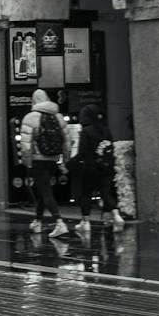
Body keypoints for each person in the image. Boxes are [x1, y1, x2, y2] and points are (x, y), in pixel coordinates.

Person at [15, 88, 69, 238]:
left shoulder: (30, 118)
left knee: (45, 191)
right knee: (43, 190)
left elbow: (26, 145)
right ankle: (37, 221)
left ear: (34, 101)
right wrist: (65, 160)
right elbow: (67, 141)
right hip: (52, 159)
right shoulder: (57, 116)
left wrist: (27, 163)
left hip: (38, 160)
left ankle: (59, 223)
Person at [67, 105, 116, 236]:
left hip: (90, 168)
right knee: (106, 194)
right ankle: (117, 217)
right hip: (106, 168)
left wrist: (69, 165)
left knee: (86, 194)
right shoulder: (106, 130)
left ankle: (86, 222)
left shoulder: (86, 131)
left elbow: (82, 153)